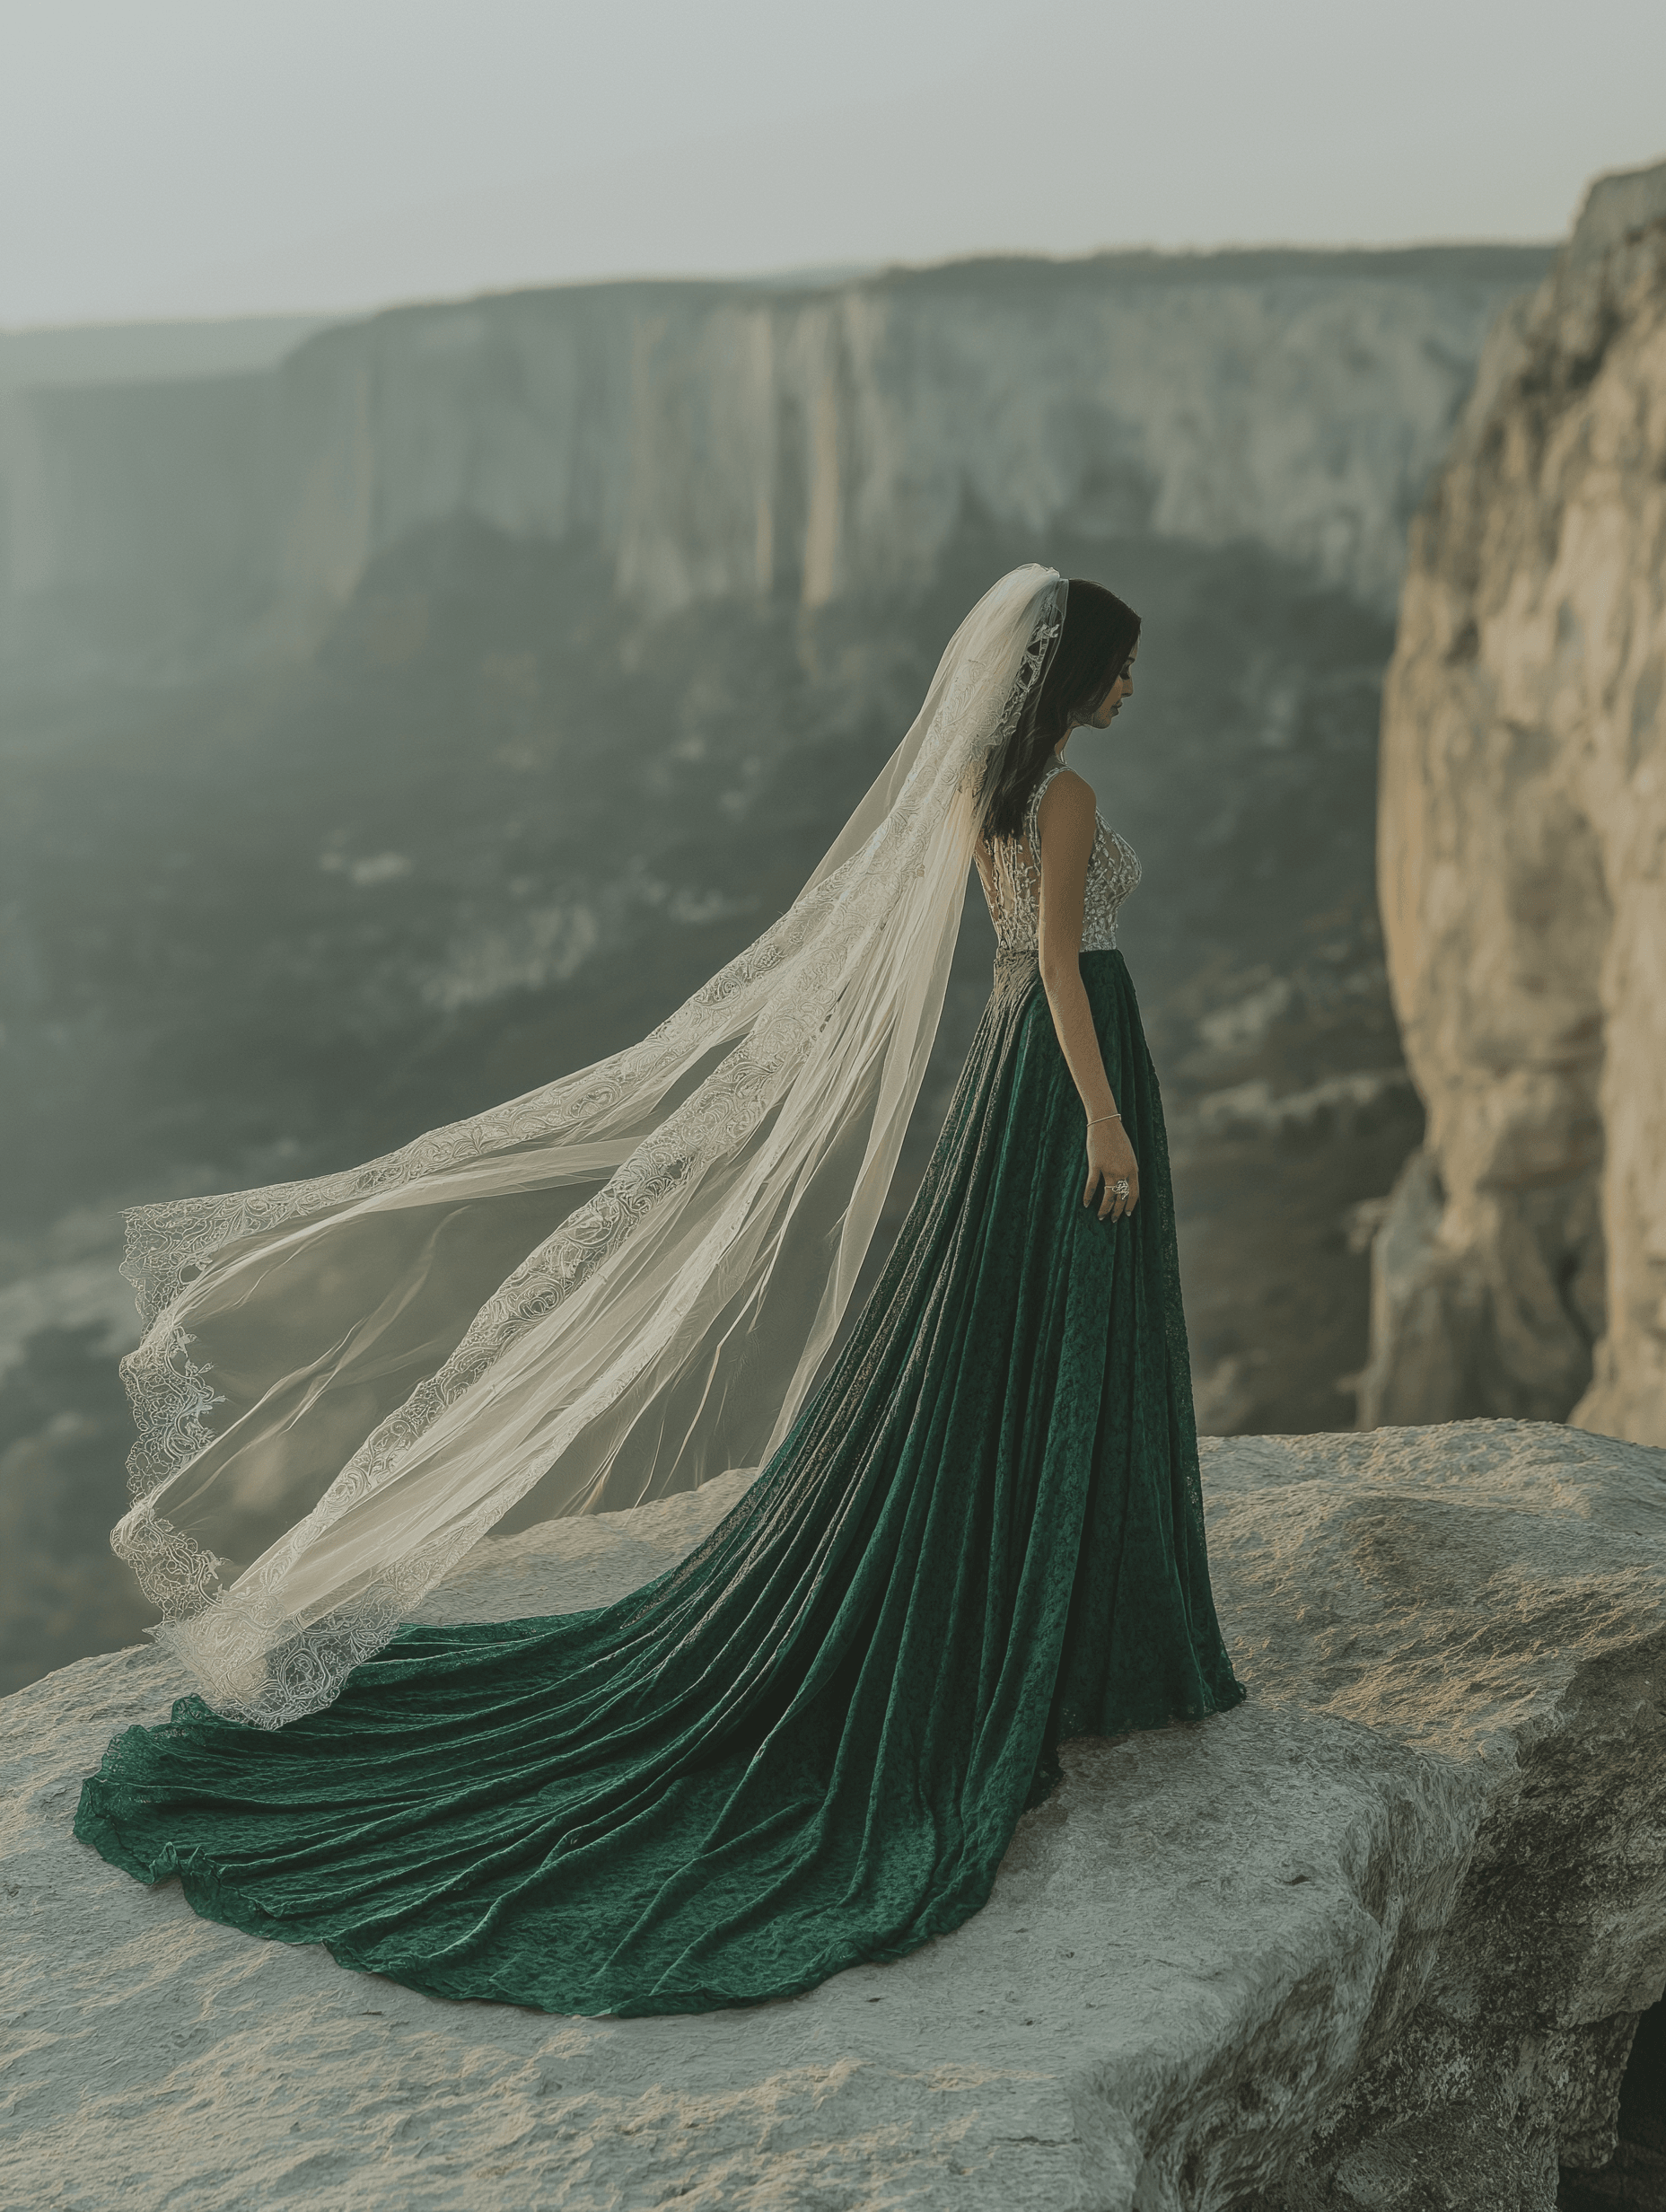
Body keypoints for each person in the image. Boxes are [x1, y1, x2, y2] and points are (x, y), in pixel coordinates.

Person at [75, 565, 1246, 2018]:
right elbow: (1062, 970)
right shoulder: (1060, 806)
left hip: (1008, 1083)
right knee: (1056, 1336)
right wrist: (1109, 1120)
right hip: (1066, 1078)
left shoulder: (975, 795)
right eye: (1121, 670)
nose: (1134, 690)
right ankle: (1076, 1616)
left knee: (995, 1347)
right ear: (1070, 679)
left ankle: (1055, 1595)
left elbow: (1012, 964)